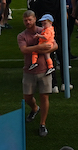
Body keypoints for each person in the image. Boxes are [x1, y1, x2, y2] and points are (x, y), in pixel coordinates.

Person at [18, 10, 54, 138]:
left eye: (30, 19)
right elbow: (24, 50)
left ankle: (42, 124)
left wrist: (44, 47)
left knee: (44, 97)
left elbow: (54, 45)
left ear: (34, 19)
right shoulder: (22, 36)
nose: (28, 22)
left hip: (44, 70)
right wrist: (40, 48)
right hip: (29, 70)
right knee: (27, 97)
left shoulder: (44, 29)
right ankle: (34, 108)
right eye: (25, 20)